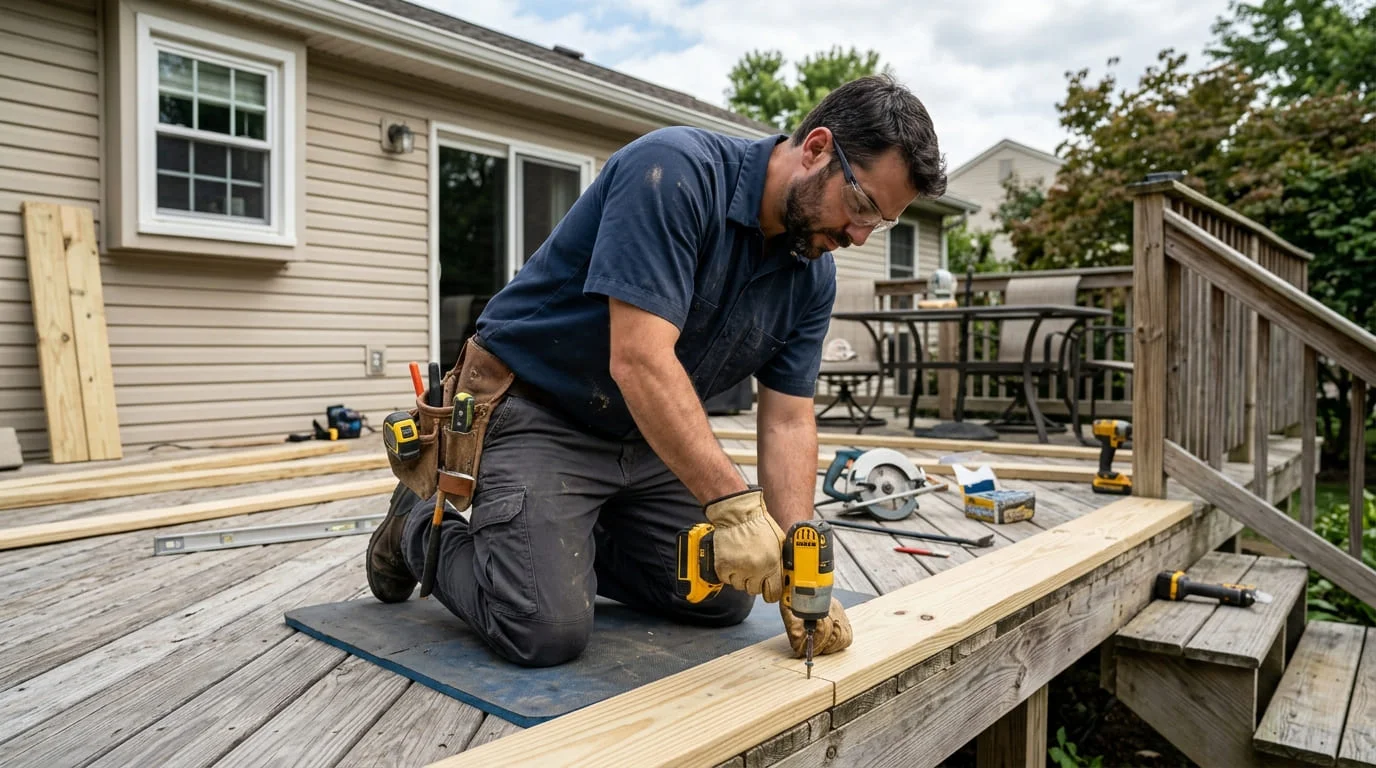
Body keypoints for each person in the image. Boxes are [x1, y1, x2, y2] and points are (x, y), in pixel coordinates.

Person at [367, 74, 948, 667]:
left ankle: (559, 538)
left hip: (641, 435)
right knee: (543, 630)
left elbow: (788, 421)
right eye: (861, 206)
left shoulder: (812, 273)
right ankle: (416, 523)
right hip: (538, 409)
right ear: (817, 148)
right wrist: (734, 506)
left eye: (880, 224)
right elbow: (640, 360)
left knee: (721, 591)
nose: (858, 235)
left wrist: (799, 561)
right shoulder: (674, 173)